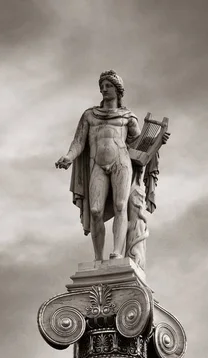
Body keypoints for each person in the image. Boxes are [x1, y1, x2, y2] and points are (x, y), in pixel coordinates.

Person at [56, 70, 141, 261]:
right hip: (97, 164)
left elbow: (140, 145)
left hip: (121, 163)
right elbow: (79, 141)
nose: (104, 89)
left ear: (118, 90)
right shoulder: (90, 115)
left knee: (120, 205)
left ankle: (117, 252)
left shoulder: (128, 116)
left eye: (108, 85)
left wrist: (159, 141)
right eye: (102, 86)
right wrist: (69, 157)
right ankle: (97, 257)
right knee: (95, 211)